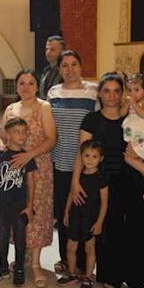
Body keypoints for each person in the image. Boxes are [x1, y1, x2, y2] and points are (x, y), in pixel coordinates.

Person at [72, 73, 144, 288]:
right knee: (110, 228)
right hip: (106, 182)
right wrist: (75, 181)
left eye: (116, 91)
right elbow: (81, 153)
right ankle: (112, 274)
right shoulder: (91, 119)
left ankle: (137, 280)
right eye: (106, 90)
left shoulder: (133, 114)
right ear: (99, 93)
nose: (111, 95)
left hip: (135, 177)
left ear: (123, 93)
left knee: (138, 228)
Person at [0, 69, 56, 288]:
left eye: (31, 83)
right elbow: (2, 136)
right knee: (17, 213)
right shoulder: (11, 109)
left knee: (36, 213)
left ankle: (36, 264)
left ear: (37, 86)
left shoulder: (44, 107)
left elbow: (52, 138)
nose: (26, 87)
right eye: (22, 83)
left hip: (38, 167)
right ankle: (22, 256)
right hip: (14, 173)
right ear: (17, 86)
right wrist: (1, 145)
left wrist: (29, 155)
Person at [47, 50, 98, 276]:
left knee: (84, 212)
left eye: (74, 64)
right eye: (65, 65)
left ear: (81, 66)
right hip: (59, 162)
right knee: (63, 212)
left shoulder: (93, 91)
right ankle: (66, 260)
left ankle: (85, 263)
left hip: (86, 165)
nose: (70, 69)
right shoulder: (54, 92)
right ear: (59, 69)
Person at [0, 117, 37, 287]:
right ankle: (2, 266)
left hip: (20, 206)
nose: (21, 135)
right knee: (2, 236)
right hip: (2, 205)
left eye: (24, 132)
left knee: (20, 238)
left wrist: (30, 206)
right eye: (17, 132)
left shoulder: (26, 157)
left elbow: (31, 182)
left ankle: (19, 268)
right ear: (8, 134)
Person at [59, 140, 108, 288]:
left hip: (91, 218)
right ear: (81, 156)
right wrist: (67, 212)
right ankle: (72, 273)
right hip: (75, 215)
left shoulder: (101, 177)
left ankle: (88, 277)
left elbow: (104, 203)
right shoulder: (78, 175)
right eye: (86, 155)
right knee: (70, 247)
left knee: (89, 249)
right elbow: (71, 194)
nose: (90, 160)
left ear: (100, 158)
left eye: (94, 156)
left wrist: (99, 222)